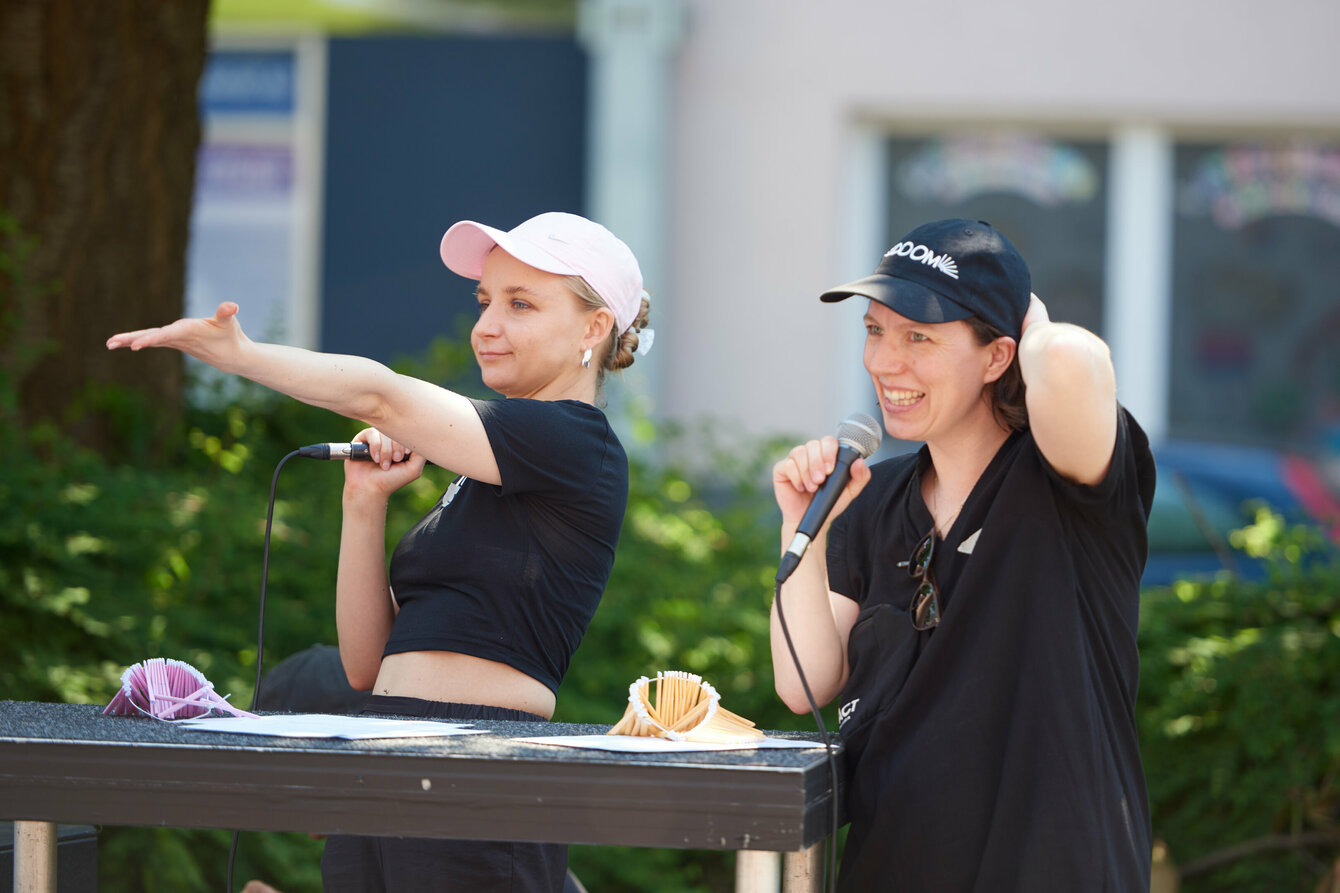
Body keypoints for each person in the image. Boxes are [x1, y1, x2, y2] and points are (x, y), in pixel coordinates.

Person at [107, 211, 651, 893]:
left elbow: (380, 395)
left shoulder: (579, 444)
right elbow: (369, 665)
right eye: (485, 301)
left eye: (520, 303)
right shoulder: (482, 470)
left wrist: (241, 354)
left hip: (472, 763)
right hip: (383, 750)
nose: (487, 324)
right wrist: (362, 504)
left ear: (593, 329)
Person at [770, 219, 1155, 891]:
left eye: (919, 336)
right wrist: (800, 525)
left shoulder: (1064, 478)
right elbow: (806, 676)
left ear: (999, 357)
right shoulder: (875, 495)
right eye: (875, 330)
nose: (886, 362)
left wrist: (1024, 316)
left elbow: (1071, 362)